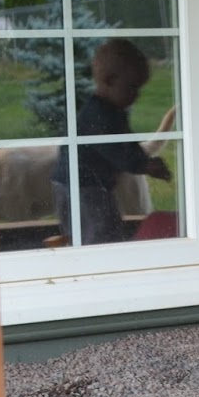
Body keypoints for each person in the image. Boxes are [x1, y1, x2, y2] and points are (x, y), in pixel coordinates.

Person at [52, 38, 172, 245]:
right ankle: (100, 264)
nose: (136, 96)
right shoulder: (100, 116)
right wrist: (144, 164)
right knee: (102, 232)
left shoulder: (110, 112)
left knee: (90, 230)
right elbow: (115, 149)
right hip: (83, 185)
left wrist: (143, 159)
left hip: (79, 183)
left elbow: (126, 142)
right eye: (132, 87)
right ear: (108, 81)